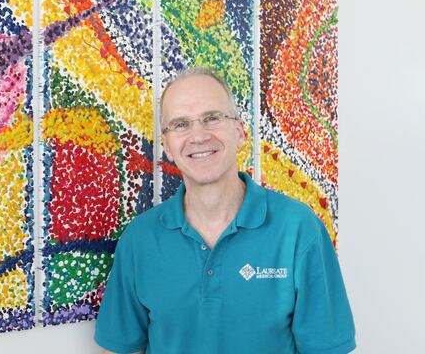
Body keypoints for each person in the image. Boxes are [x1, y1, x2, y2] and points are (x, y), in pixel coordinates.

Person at [94, 67, 355, 353]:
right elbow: (121, 348)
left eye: (212, 118)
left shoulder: (298, 228)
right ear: (167, 146)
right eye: (180, 124)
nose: (198, 136)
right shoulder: (139, 239)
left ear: (240, 131)